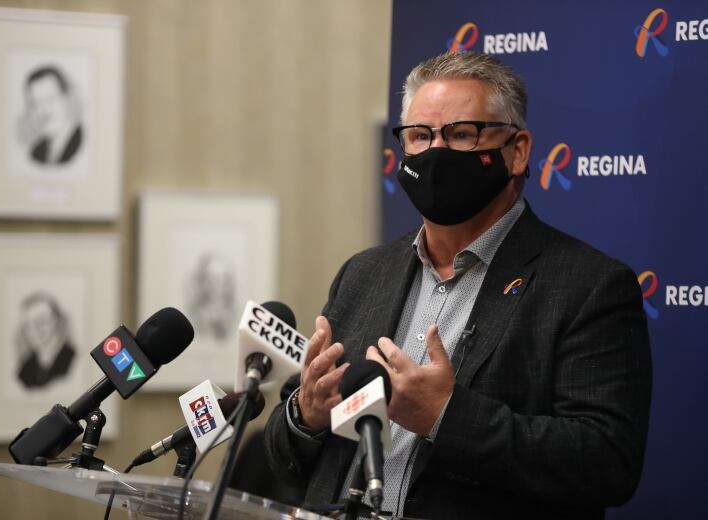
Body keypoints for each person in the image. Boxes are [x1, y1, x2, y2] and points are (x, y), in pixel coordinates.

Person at [263, 51, 652, 520]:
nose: (436, 153)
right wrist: (306, 414)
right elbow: (284, 461)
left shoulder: (589, 286)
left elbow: (607, 462)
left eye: (461, 134)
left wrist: (446, 416)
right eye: (420, 136)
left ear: (518, 151)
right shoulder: (363, 273)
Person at [18, 65, 83, 166]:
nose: (43, 111)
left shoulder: (82, 142)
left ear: (67, 99)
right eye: (35, 104)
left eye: (50, 100)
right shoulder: (36, 153)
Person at [16, 291, 76, 389]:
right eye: (28, 324)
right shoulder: (26, 370)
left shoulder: (72, 359)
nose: (35, 329)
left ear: (57, 321)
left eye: (41, 321)